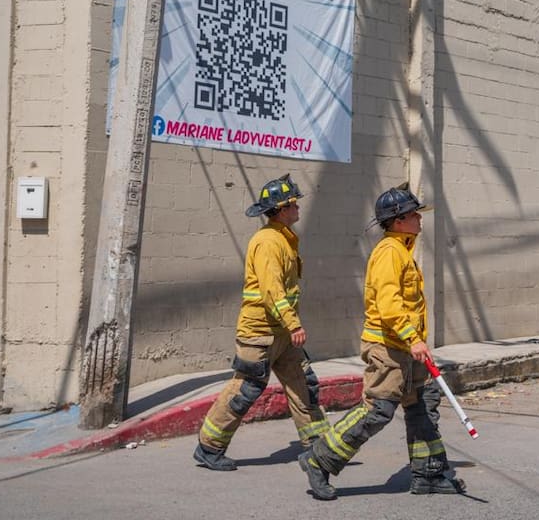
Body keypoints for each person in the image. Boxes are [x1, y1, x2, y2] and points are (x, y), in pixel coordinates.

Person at [298, 182, 466, 500]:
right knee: (378, 410)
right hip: (390, 348)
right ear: (399, 219)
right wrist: (411, 338)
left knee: (422, 405)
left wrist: (414, 341)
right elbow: (390, 305)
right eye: (414, 214)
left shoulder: (402, 250)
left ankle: (429, 473)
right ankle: (319, 459)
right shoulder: (390, 252)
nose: (420, 219)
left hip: (407, 346)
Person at [193, 174, 329, 471]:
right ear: (281, 210)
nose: (297, 208)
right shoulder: (268, 242)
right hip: (260, 333)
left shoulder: (284, 238)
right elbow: (272, 291)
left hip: (280, 332)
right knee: (246, 389)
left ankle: (317, 446)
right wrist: (294, 324)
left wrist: (289, 326)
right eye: (293, 203)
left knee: (303, 384)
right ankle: (209, 447)